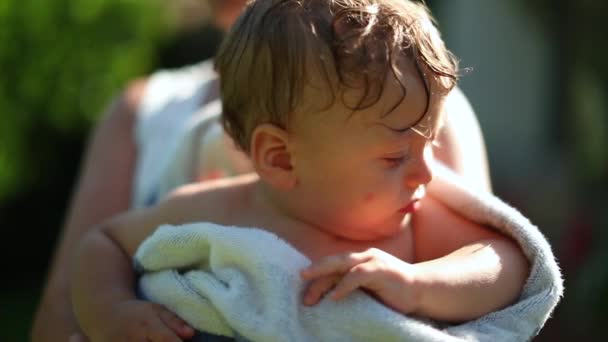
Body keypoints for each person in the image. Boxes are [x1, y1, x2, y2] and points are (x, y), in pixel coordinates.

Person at [30, 0, 491, 341]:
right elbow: (102, 243)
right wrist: (112, 312)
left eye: (428, 143)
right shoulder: (226, 208)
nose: (426, 174)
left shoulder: (408, 124)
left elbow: (498, 261)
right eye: (394, 158)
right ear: (280, 158)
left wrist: (421, 284)